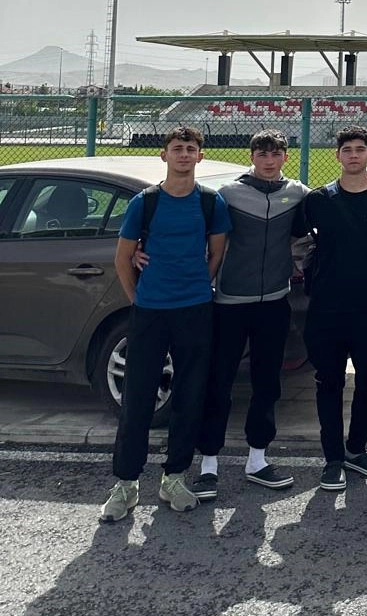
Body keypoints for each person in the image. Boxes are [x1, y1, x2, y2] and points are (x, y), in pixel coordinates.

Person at [101, 126, 232, 522]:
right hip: (151, 311)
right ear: (165, 155)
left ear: (199, 156)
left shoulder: (210, 202)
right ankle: (126, 483)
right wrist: (138, 298)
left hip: (194, 310)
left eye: (191, 148)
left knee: (189, 397)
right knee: (137, 397)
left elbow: (216, 253)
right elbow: (122, 258)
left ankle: (174, 477)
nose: (184, 154)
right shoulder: (145, 203)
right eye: (177, 148)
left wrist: (197, 284)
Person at [193, 129, 310, 500]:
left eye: (276, 154)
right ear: (252, 157)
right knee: (219, 382)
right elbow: (191, 229)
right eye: (262, 154)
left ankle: (257, 459)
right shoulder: (227, 194)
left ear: (285, 157)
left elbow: (327, 223)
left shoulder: (299, 193)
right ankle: (208, 464)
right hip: (229, 302)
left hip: (274, 301)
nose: (269, 161)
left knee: (267, 383)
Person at [302, 125, 367, 492]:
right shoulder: (318, 200)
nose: (353, 155)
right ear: (338, 156)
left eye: (360, 149)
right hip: (327, 310)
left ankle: (357, 449)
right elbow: (291, 239)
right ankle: (332, 459)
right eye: (347, 150)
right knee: (328, 383)